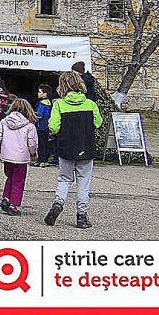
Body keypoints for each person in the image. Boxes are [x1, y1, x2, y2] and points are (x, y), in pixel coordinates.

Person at [45, 71, 103, 229]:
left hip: (66, 147)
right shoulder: (91, 104)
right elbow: (98, 123)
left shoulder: (59, 104)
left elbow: (53, 126)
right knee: (83, 182)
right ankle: (82, 216)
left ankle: (58, 203)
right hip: (86, 147)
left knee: (64, 179)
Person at [0, 98, 38, 216]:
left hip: (7, 155)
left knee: (10, 177)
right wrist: (33, 153)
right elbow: (32, 143)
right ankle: (14, 204)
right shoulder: (29, 125)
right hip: (21, 157)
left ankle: (6, 197)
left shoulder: (4, 122)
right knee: (18, 180)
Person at [33, 84, 56, 167]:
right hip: (47, 126)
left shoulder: (42, 103)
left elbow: (39, 115)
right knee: (46, 144)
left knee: (41, 144)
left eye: (40, 92)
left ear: (45, 93)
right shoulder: (49, 102)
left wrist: (33, 115)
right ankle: (45, 159)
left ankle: (41, 159)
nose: (38, 93)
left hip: (41, 126)